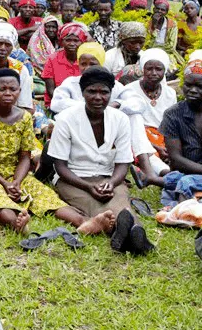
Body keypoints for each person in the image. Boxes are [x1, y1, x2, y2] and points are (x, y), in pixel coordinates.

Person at [0, 69, 114, 235]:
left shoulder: (24, 117)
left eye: (13, 89)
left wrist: (16, 181)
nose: (8, 93)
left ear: (20, 91)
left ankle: (85, 223)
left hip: (16, 173)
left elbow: (25, 157)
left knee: (45, 195)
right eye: (2, 89)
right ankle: (16, 223)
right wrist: (4, 183)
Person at [47, 67, 155, 254]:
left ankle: (133, 234)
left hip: (108, 177)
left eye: (104, 92)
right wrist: (88, 187)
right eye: (92, 91)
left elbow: (123, 162)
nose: (98, 97)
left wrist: (112, 183)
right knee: (94, 204)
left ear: (111, 94)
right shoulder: (65, 119)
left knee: (120, 201)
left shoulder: (120, 119)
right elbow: (60, 166)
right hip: (74, 179)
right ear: (82, 93)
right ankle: (135, 239)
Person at [116, 48, 176, 180]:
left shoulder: (170, 93)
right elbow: (128, 126)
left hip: (162, 137)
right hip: (138, 135)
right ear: (143, 69)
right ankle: (163, 173)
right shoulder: (129, 90)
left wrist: (167, 145)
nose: (153, 73)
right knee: (145, 152)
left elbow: (172, 124)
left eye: (158, 69)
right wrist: (155, 146)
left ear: (164, 71)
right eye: (149, 69)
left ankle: (165, 172)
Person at [161, 60, 202, 203]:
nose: (193, 90)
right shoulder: (173, 114)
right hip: (188, 172)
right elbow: (175, 158)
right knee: (175, 178)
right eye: (188, 85)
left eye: (199, 86)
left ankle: (181, 209)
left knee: (185, 182)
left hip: (191, 176)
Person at [41, 22, 86, 107]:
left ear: (82, 42)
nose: (72, 44)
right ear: (62, 41)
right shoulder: (53, 59)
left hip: (82, 104)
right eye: (68, 40)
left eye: (76, 41)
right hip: (58, 102)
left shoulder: (86, 59)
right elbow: (51, 91)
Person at [145, 0, 182, 74]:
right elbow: (147, 44)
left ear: (166, 12)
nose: (159, 11)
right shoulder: (147, 22)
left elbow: (171, 46)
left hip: (167, 53)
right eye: (157, 9)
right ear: (153, 9)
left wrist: (155, 46)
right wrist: (154, 26)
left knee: (170, 70)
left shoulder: (172, 24)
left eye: (163, 10)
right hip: (149, 52)